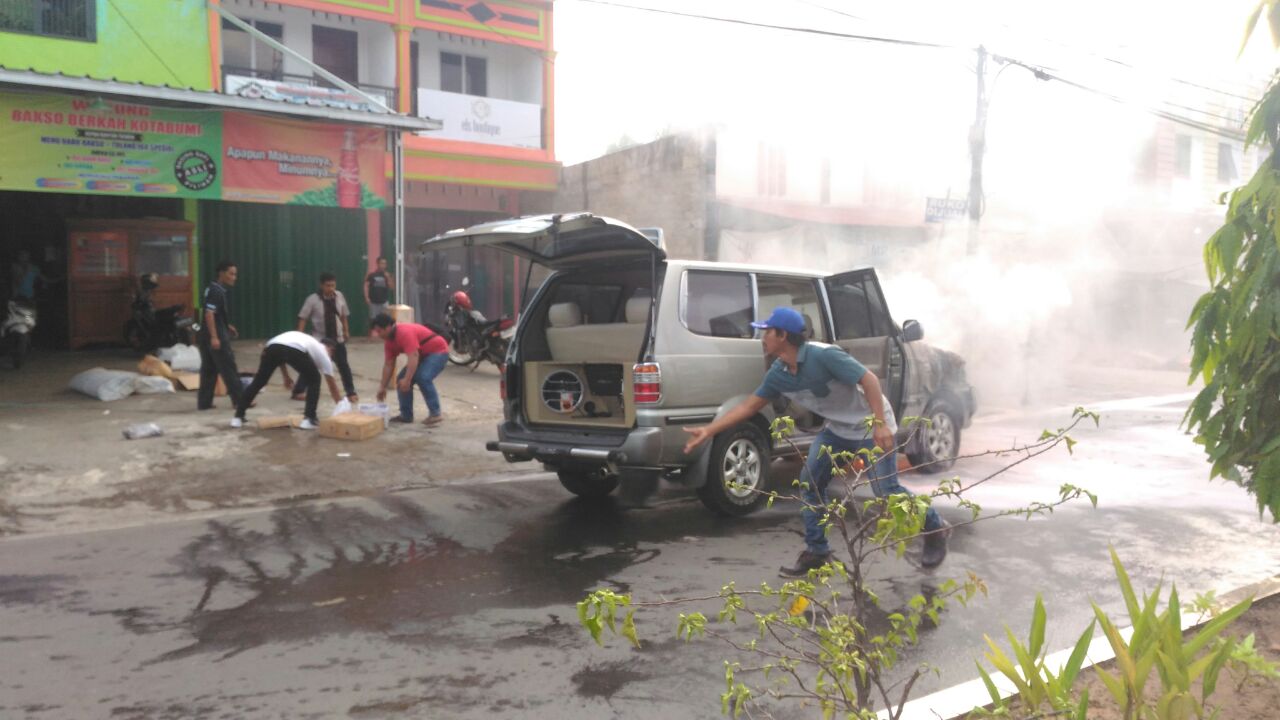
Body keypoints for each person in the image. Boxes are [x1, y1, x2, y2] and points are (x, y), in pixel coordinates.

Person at [683, 307, 950, 576]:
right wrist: (709, 430)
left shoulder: (824, 356)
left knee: (887, 492)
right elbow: (749, 407)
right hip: (837, 430)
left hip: (871, 426)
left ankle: (936, 528)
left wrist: (880, 423)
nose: (761, 337)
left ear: (782, 335)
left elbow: (869, 380)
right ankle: (817, 551)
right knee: (811, 484)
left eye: (766, 332)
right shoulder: (778, 372)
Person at [232, 331, 343, 430]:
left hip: (271, 347)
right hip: (292, 349)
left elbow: (280, 356)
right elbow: (332, 385)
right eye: (332, 354)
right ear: (330, 349)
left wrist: (286, 376)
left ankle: (238, 417)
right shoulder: (323, 352)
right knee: (315, 379)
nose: (331, 357)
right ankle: (309, 419)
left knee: (259, 382)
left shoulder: (309, 342)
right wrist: (340, 405)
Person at [288, 271, 358, 402]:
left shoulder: (339, 296)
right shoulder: (312, 299)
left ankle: (350, 392)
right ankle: (298, 391)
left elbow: (343, 315)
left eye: (333, 285)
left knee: (343, 366)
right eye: (327, 285)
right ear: (321, 285)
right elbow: (303, 318)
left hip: (337, 339)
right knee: (311, 366)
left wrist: (346, 331)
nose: (330, 288)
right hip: (319, 340)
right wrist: (299, 336)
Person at [370, 313, 448, 426]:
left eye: (379, 331)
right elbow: (388, 364)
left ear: (388, 327)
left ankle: (436, 413)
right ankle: (406, 415)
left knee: (423, 377)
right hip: (422, 355)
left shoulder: (404, 333)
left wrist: (408, 379)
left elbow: (413, 356)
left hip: (438, 351)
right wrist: (382, 386)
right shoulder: (389, 342)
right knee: (401, 379)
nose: (378, 335)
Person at [197, 260, 245, 411]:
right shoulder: (216, 291)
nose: (234, 277)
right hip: (215, 335)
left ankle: (204, 403)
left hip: (205, 334)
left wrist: (226, 325)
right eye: (231, 274)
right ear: (222, 273)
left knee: (209, 369)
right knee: (228, 367)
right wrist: (215, 337)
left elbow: (213, 314)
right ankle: (240, 401)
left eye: (235, 274)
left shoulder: (212, 288)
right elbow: (209, 314)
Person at [364, 257, 394, 332]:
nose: (383, 265)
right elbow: (366, 286)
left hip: (384, 301)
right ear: (377, 264)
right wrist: (367, 297)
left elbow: (392, 287)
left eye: (385, 264)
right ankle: (370, 336)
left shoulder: (387, 275)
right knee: (372, 318)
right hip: (374, 301)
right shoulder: (372, 275)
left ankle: (385, 334)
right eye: (381, 263)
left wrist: (388, 278)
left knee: (386, 318)